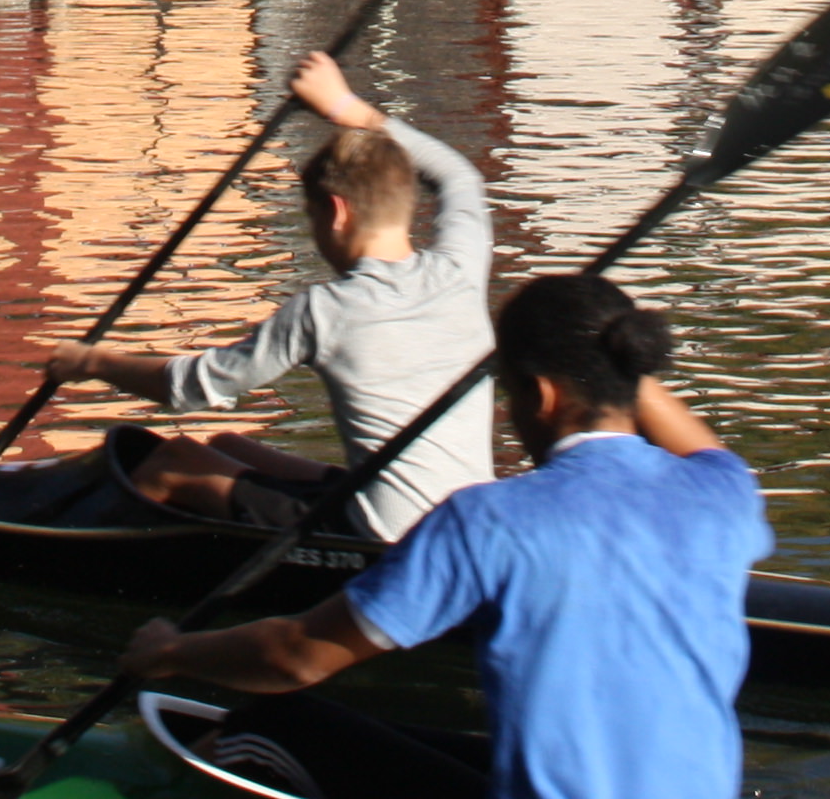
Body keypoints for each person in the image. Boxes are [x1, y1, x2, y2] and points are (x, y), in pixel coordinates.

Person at [118, 271, 772, 799]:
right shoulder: (725, 493)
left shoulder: (488, 519)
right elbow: (691, 439)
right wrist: (604, 353)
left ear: (540, 397)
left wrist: (171, 653)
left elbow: (295, 656)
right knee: (474, 746)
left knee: (272, 718)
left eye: (509, 394)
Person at [25, 50, 491, 543]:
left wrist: (91, 363)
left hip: (387, 536)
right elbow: (459, 175)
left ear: (336, 212)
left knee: (170, 462)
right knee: (231, 445)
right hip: (469, 523)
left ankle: (75, 555)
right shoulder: (461, 267)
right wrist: (345, 107)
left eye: (311, 220)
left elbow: (192, 387)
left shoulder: (326, 311)